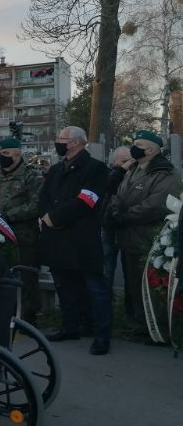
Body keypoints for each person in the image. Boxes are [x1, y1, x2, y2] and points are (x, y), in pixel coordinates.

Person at [38, 126, 111, 355]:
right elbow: (44, 197)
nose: (58, 142)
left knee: (95, 288)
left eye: (62, 139)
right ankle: (70, 326)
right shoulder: (57, 169)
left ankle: (101, 335)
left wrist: (56, 217)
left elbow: (87, 200)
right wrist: (46, 215)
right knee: (64, 286)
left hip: (82, 237)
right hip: (57, 237)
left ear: (76, 142)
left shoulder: (96, 169)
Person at [104, 130, 181, 336]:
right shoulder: (134, 169)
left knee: (151, 285)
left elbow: (156, 204)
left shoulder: (166, 173)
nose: (133, 148)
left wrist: (126, 215)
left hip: (149, 238)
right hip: (129, 237)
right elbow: (118, 194)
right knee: (133, 284)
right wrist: (114, 209)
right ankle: (139, 324)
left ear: (150, 149)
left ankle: (158, 329)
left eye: (137, 144)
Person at [0, 137, 43, 324]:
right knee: (1, 274)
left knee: (26, 275)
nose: (2, 158)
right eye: (0, 154)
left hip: (23, 234)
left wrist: (9, 215)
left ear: (18, 154)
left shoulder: (31, 175)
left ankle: (28, 317)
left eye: (6, 154)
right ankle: (3, 313)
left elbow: (36, 204)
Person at [101, 145, 134, 319]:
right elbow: (108, 187)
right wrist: (120, 170)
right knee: (106, 270)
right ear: (115, 162)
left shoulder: (137, 175)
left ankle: (131, 311)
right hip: (109, 227)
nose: (129, 164)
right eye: (124, 161)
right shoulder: (110, 174)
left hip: (129, 226)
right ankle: (105, 309)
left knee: (131, 272)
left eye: (131, 160)